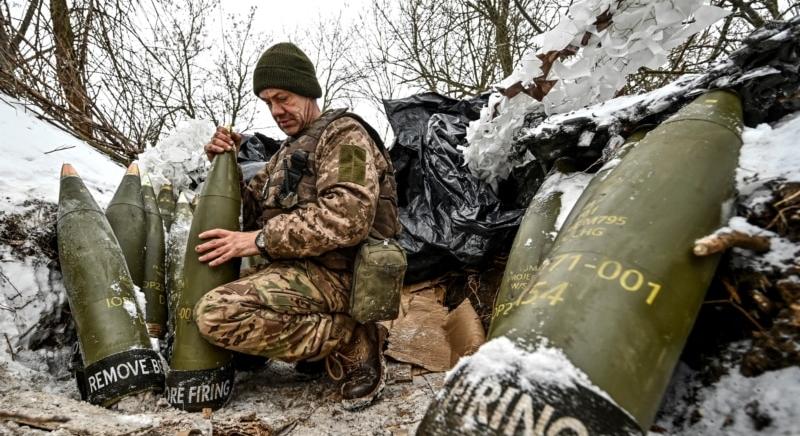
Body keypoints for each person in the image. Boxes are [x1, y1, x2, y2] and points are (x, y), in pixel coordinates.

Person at [194, 42, 401, 409]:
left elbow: (348, 216)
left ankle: (349, 336)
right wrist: (224, 166)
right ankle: (316, 349)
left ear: (308, 90)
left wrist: (259, 241)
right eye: (267, 102)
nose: (276, 110)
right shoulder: (285, 155)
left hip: (343, 274)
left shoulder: (344, 136)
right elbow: (249, 213)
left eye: (283, 97)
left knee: (217, 314)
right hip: (302, 272)